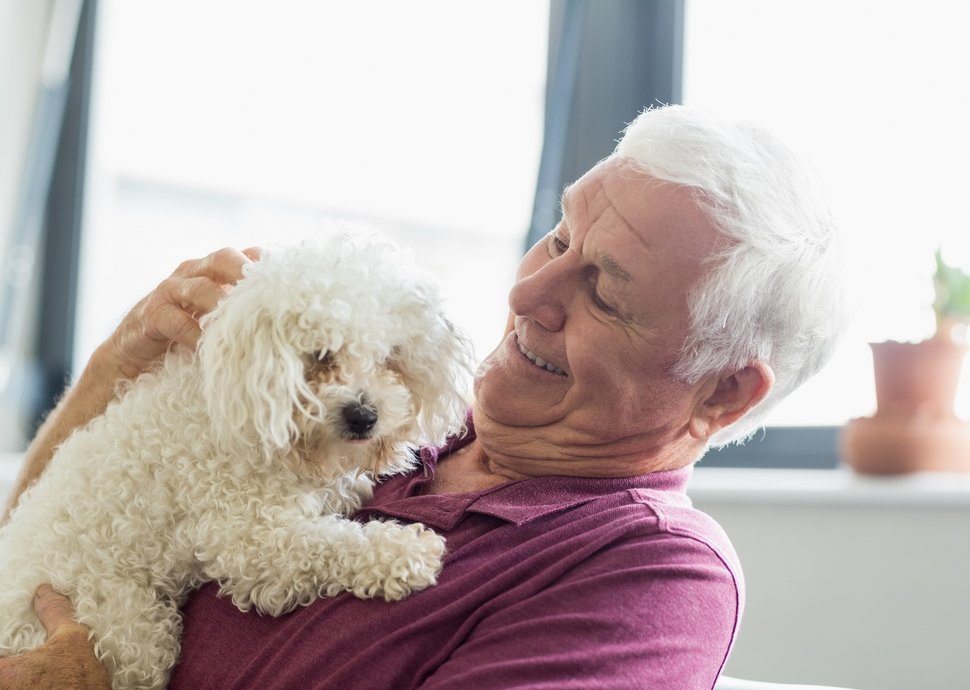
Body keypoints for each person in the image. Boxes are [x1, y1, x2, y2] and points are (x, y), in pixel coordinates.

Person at [0, 105, 848, 689]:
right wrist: (125, 360)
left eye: (604, 292)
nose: (529, 294)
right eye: (558, 235)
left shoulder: (651, 576)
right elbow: (33, 533)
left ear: (726, 392)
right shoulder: (400, 417)